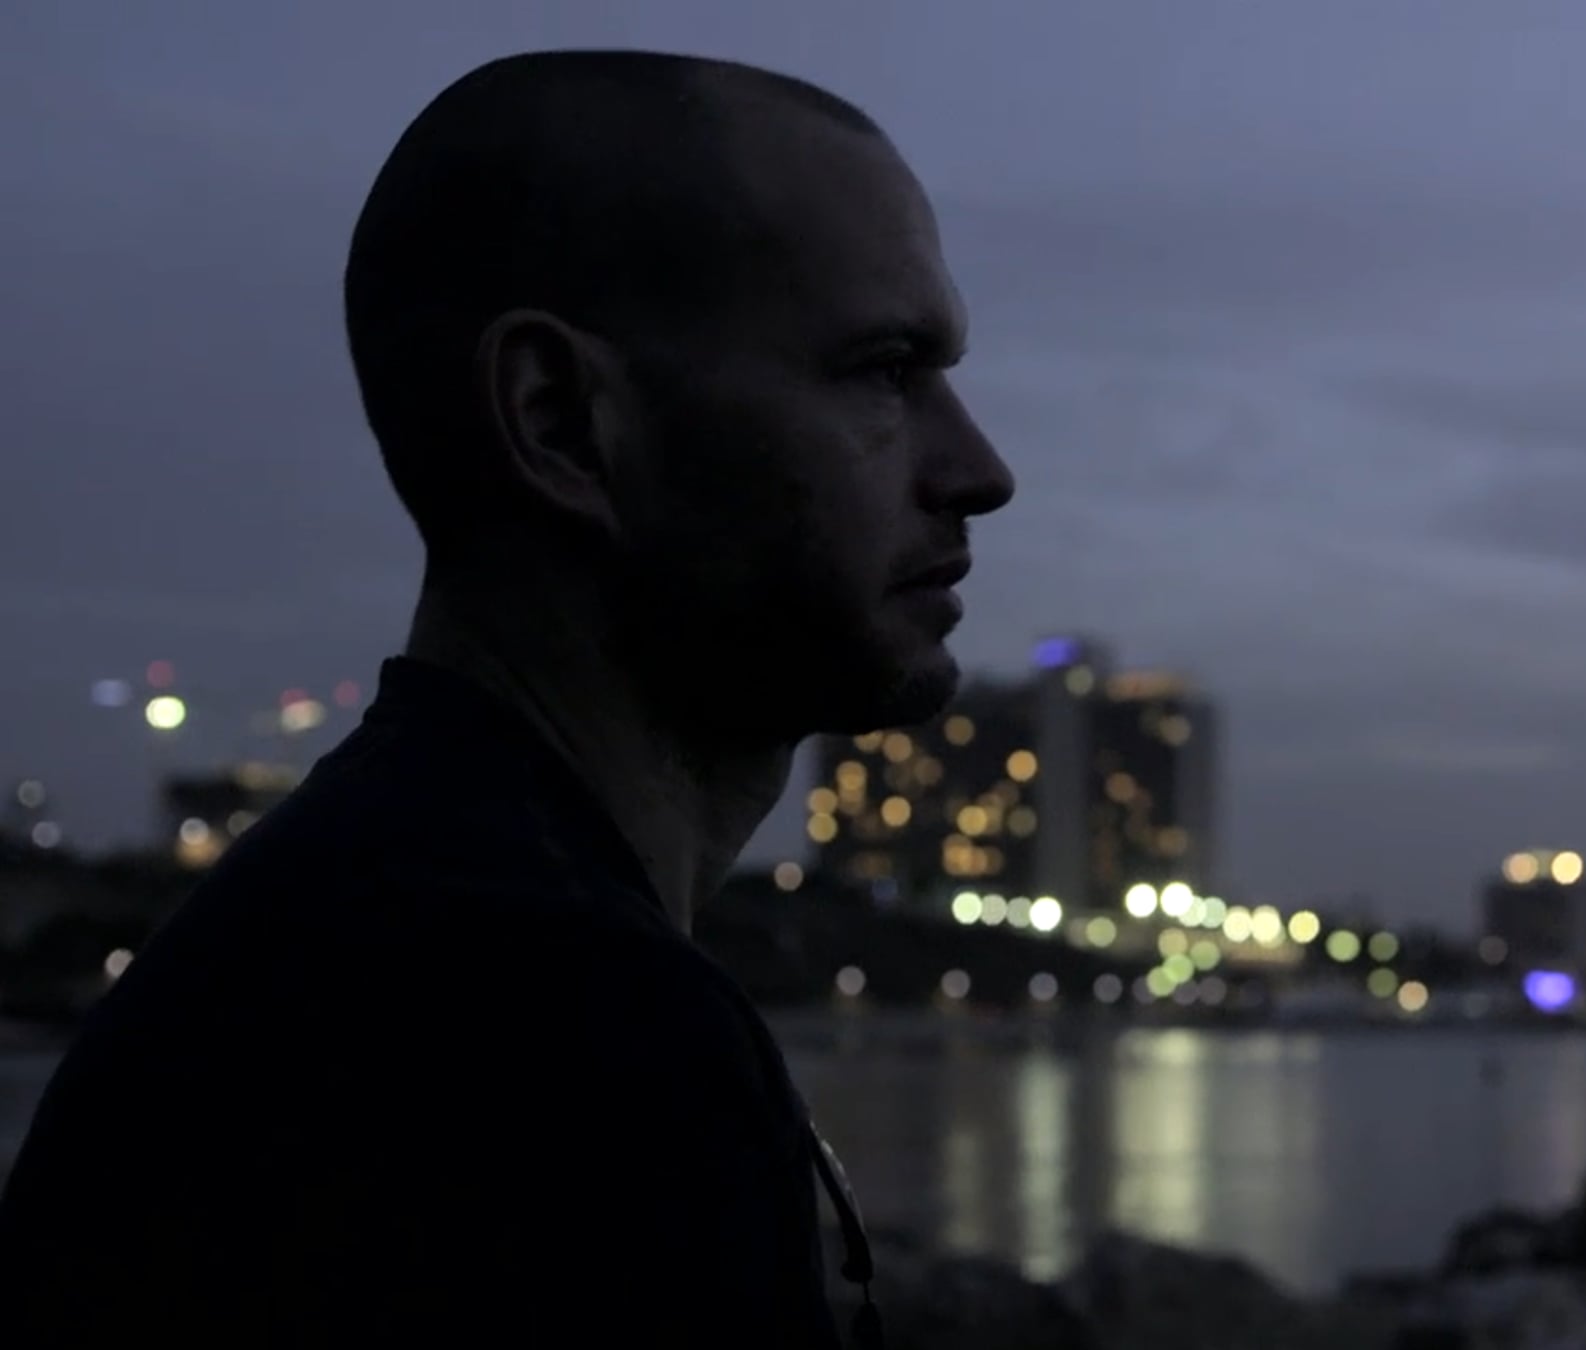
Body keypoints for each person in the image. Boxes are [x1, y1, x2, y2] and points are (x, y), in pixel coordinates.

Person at [0, 48, 1014, 1348]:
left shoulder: (359, 935)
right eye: (882, 369)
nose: (979, 469)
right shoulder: (557, 1034)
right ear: (560, 420)